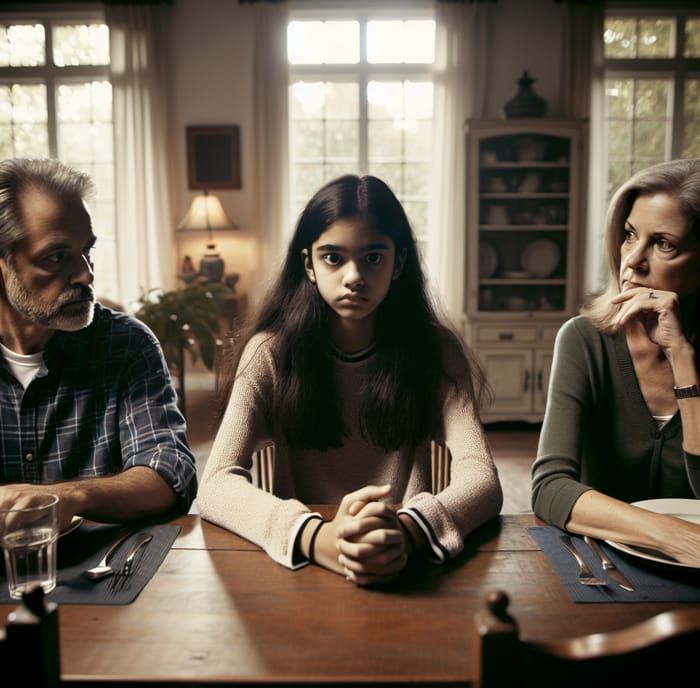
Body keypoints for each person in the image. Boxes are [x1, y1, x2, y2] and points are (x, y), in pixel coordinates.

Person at [197, 173, 503, 586]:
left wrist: (410, 530)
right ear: (308, 264)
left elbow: (481, 476)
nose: (354, 276)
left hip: (406, 565)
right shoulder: (270, 352)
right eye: (333, 258)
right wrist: (317, 537)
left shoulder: (436, 349)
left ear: (400, 263)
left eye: (374, 257)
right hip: (303, 565)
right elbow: (215, 484)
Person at [0, 157, 197, 531]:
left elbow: (172, 471)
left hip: (107, 578)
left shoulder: (128, 344)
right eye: (57, 257)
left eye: (87, 250)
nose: (86, 274)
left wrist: (70, 497)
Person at [531, 158, 700, 566]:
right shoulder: (584, 339)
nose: (633, 261)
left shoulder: (687, 356)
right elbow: (550, 487)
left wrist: (682, 357)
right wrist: (671, 536)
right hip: (599, 568)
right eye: (629, 235)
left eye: (663, 244)